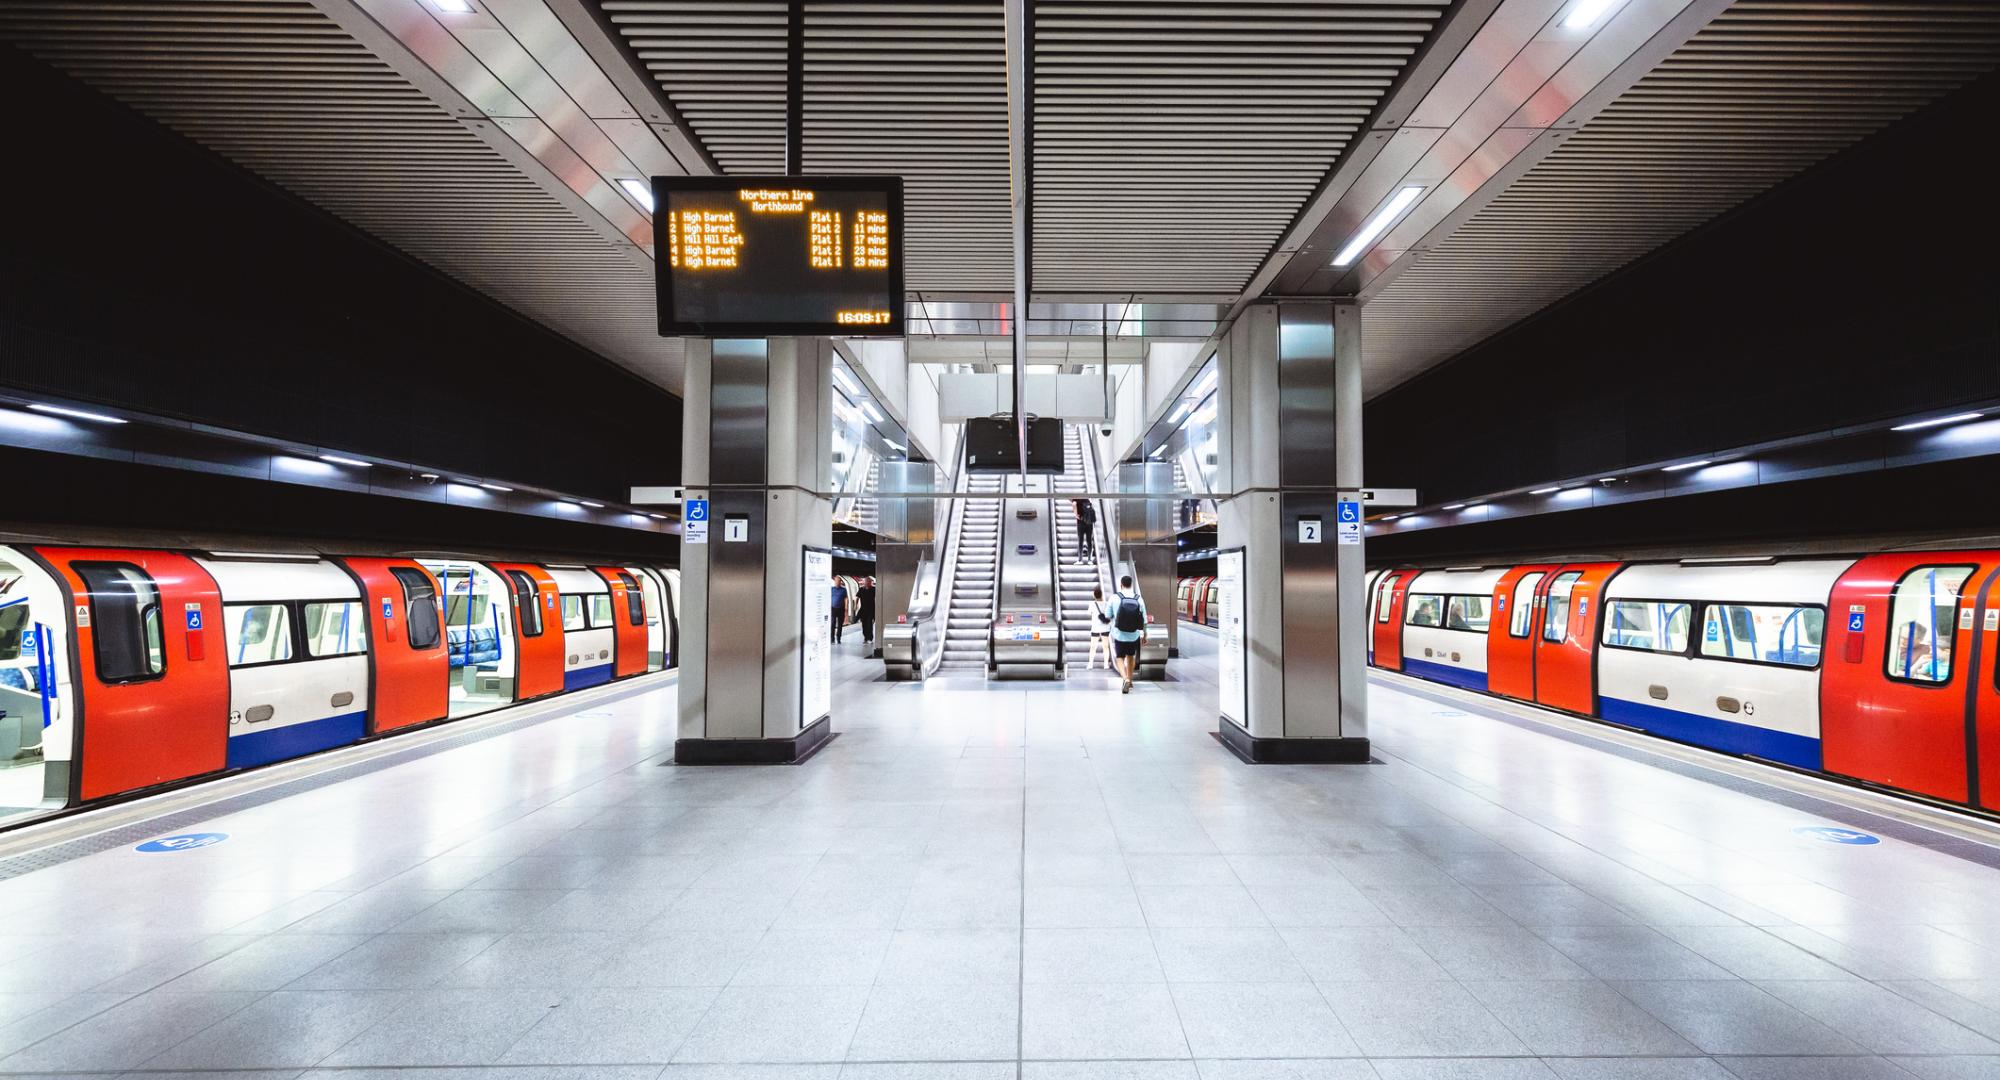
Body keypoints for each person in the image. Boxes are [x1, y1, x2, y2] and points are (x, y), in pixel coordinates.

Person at [1110, 574, 1148, 693]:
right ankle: (1130, 680)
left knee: (1120, 657)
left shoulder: (1115, 597)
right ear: (1131, 585)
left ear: (1121, 585)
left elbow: (1107, 614)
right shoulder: (1138, 598)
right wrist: (1145, 635)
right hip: (1134, 634)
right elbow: (1145, 619)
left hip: (1119, 634)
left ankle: (1125, 679)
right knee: (1131, 656)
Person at [1087, 585, 1113, 670]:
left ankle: (1090, 664)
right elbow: (1110, 615)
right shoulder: (1106, 604)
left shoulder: (1092, 604)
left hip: (1095, 628)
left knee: (1093, 646)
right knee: (1106, 646)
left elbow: (1089, 614)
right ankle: (1106, 664)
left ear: (1094, 595)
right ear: (1102, 595)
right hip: (1105, 628)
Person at [1072, 498, 1097, 563]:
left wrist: (1075, 514)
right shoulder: (1087, 499)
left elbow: (1074, 504)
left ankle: (1080, 560)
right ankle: (1089, 560)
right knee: (1089, 541)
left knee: (1080, 541)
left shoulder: (1075, 499)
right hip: (1089, 523)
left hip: (1080, 523)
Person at [856, 578, 877, 647]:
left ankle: (870, 638)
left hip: (871, 610)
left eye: (869, 582)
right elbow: (857, 597)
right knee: (864, 625)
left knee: (869, 624)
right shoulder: (861, 589)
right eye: (866, 582)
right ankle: (865, 637)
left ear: (870, 582)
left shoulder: (874, 589)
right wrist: (855, 606)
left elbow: (877, 598)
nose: (867, 583)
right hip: (863, 610)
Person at [830, 579, 848, 643]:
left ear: (840, 582)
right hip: (833, 609)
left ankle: (838, 638)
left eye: (838, 581)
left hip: (841, 609)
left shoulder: (843, 590)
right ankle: (832, 638)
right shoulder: (831, 589)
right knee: (832, 624)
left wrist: (846, 607)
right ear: (834, 582)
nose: (837, 583)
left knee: (840, 625)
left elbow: (846, 599)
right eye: (836, 581)